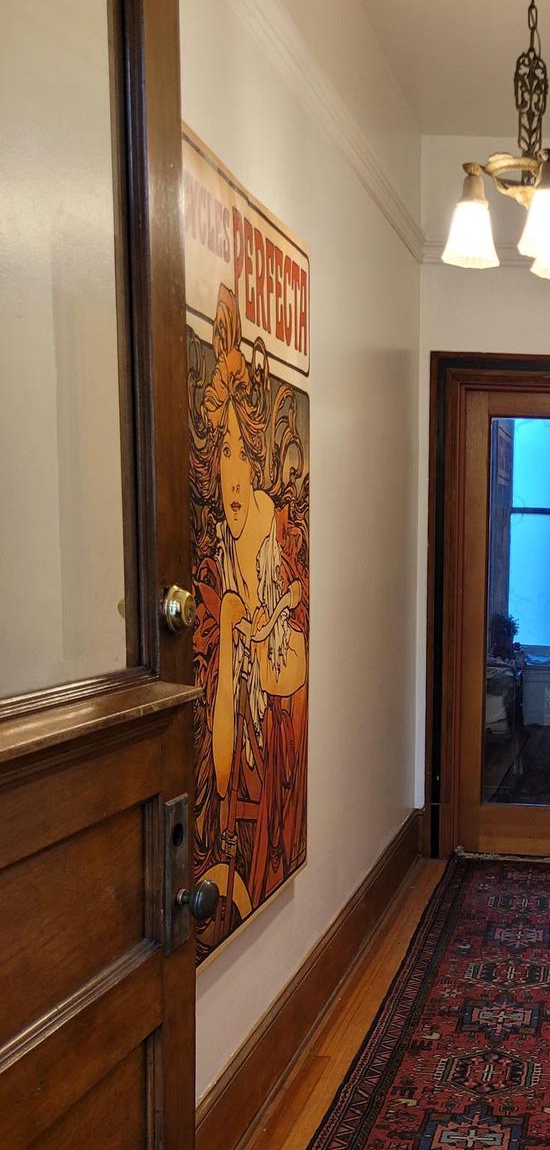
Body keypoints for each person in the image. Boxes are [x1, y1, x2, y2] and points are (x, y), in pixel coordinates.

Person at [189, 283, 309, 952]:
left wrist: (266, 621)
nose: (231, 473)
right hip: (236, 762)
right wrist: (236, 625)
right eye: (221, 453)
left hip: (273, 739)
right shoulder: (214, 574)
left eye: (239, 453)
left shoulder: (273, 540)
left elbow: (286, 659)